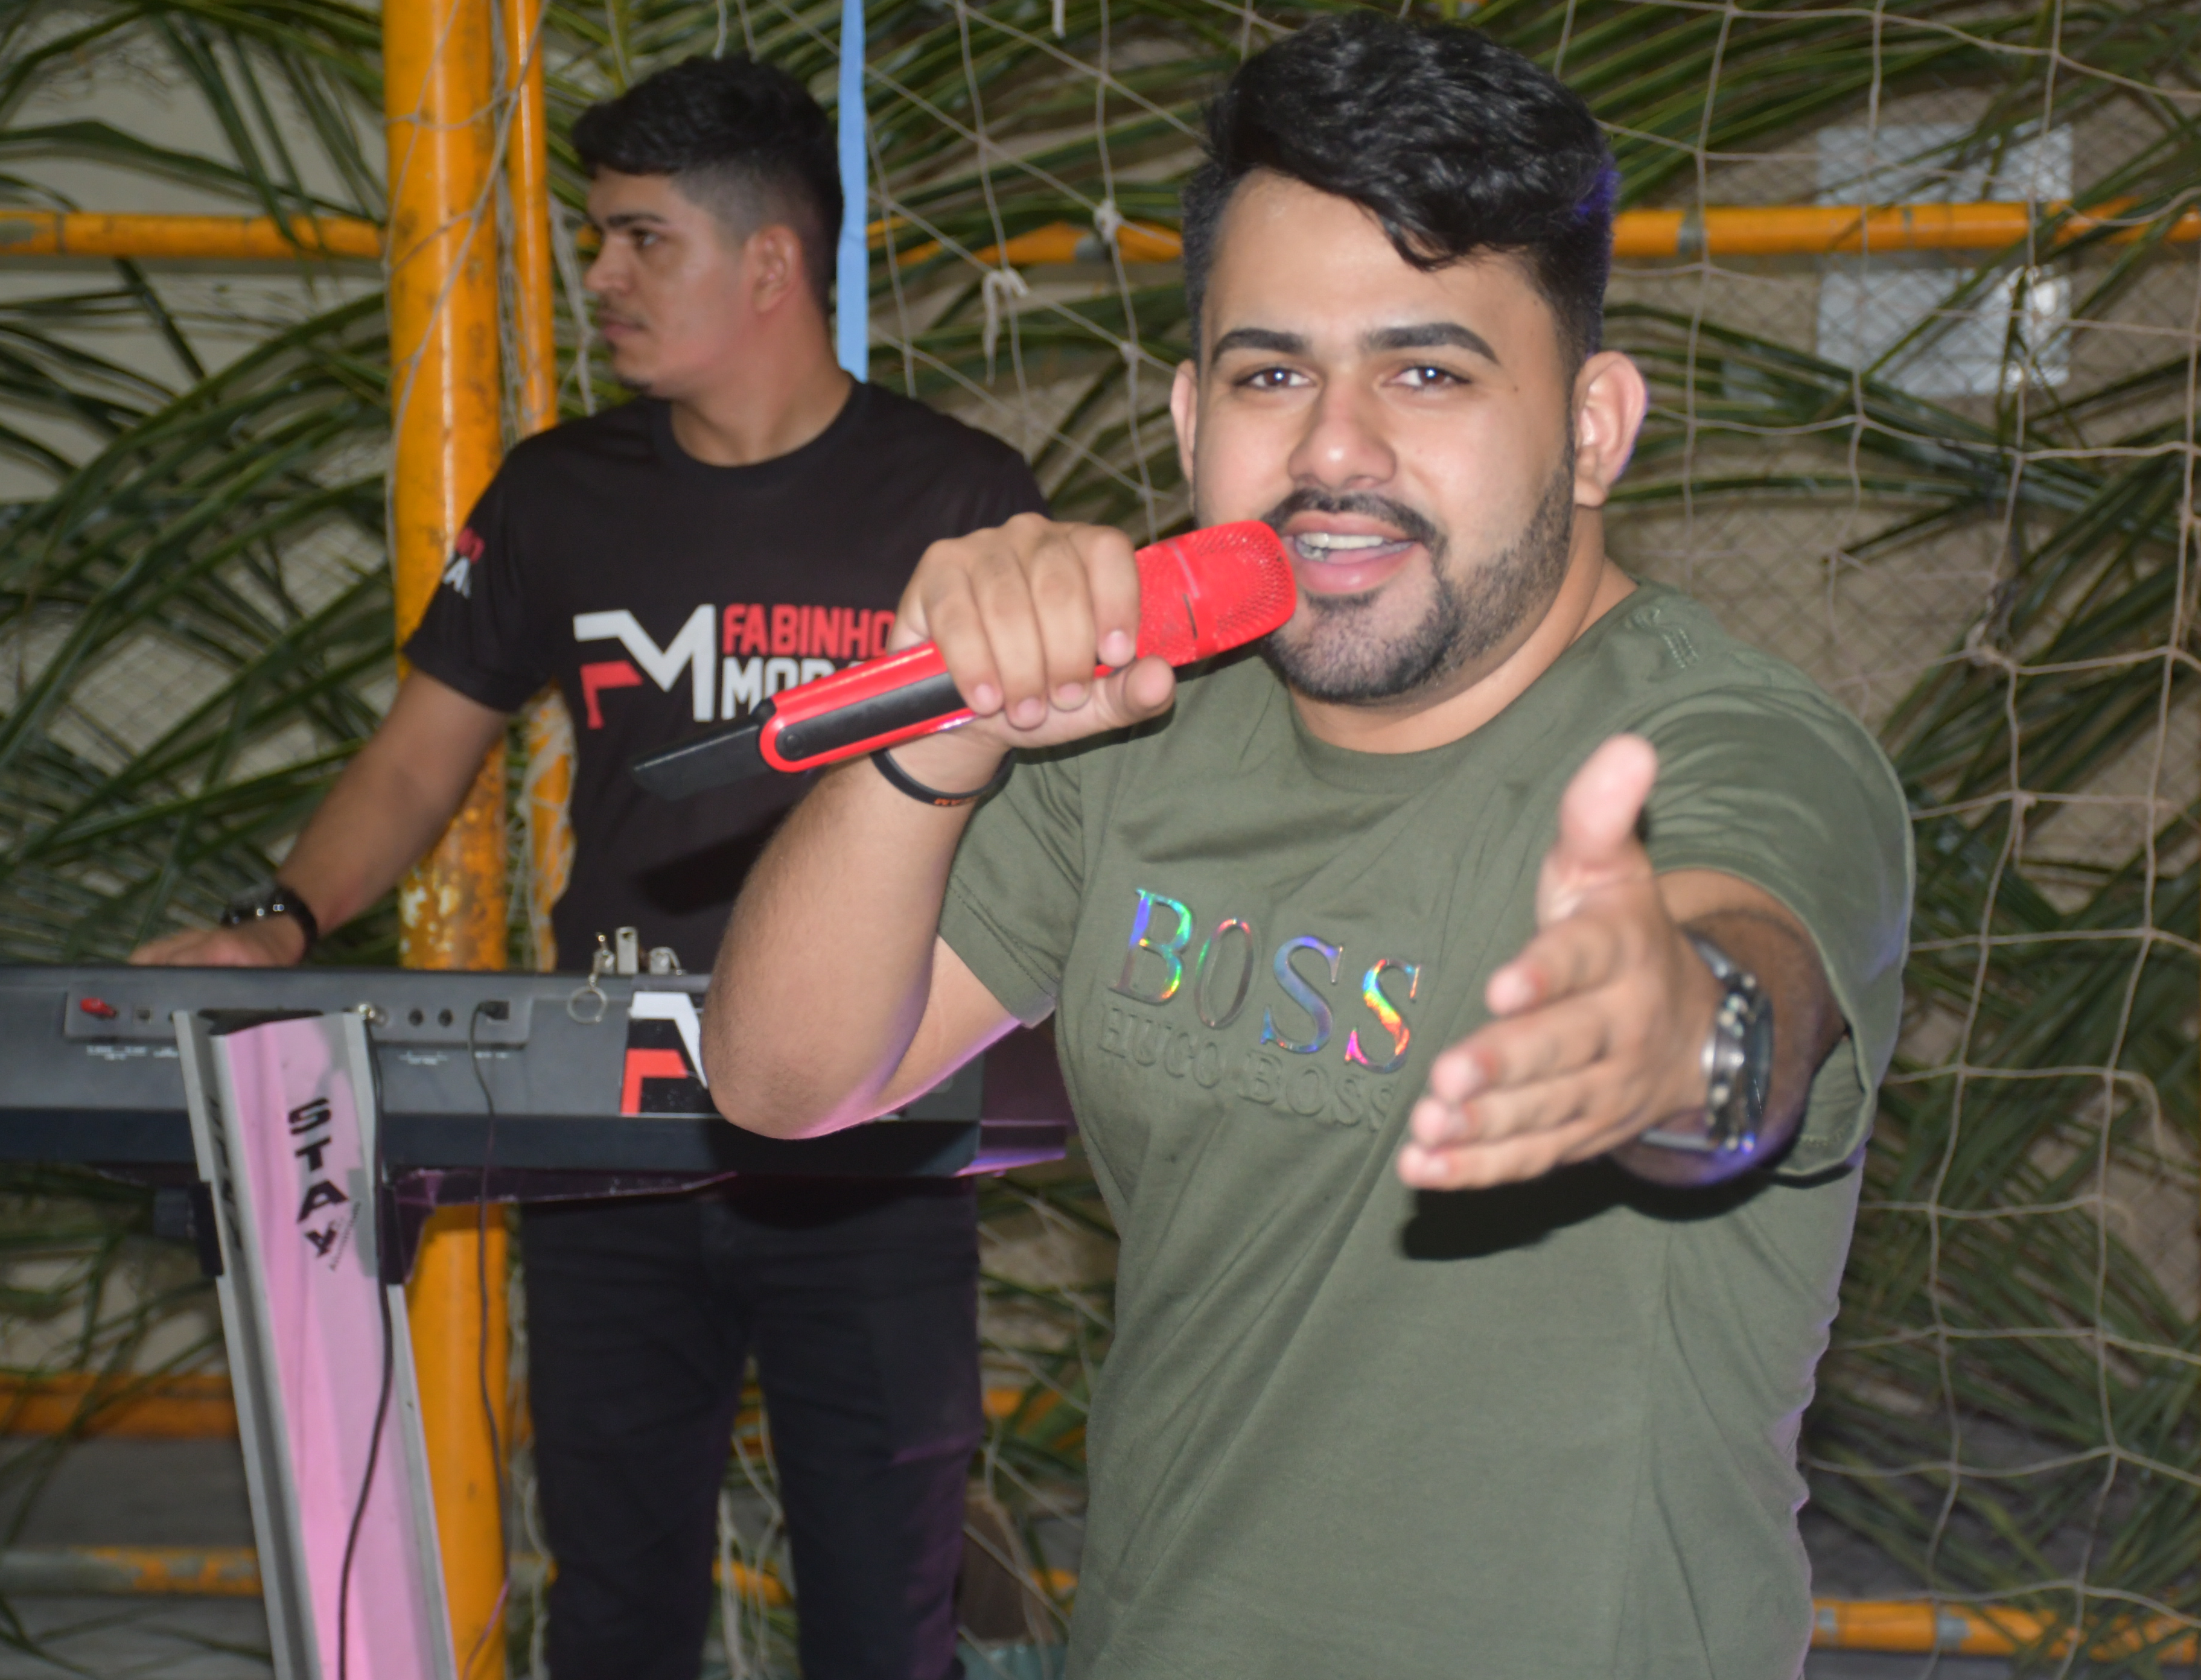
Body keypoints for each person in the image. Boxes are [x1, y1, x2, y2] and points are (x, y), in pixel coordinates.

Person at [702, 14, 1911, 1678]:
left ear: (1594, 426)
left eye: (1429, 372)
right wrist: (936, 737)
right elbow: (781, 1084)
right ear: (1189, 415)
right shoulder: (1132, 720)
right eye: (1272, 375)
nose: (1336, 449)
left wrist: (1657, 1032)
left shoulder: (1739, 746)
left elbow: (1738, 1004)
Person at [135, 54, 1040, 1680]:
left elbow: (1041, 809)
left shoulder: (964, 500)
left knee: (884, 1621)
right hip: (606, 1140)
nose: (601, 277)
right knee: (615, 1615)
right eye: (595, 238)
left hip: (875, 1136)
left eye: (641, 240)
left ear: (771, 264)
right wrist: (278, 922)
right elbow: (416, 759)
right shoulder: (559, 495)